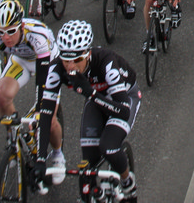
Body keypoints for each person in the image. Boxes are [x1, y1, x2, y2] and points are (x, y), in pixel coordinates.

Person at [0, 1, 66, 184]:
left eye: (11, 31)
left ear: (21, 26)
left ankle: (58, 155)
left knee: (48, 119)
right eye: (2, 31)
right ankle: (13, 140)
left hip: (47, 61)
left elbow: (42, 81)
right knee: (2, 95)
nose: (6, 37)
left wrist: (39, 112)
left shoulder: (38, 36)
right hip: (21, 59)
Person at [38, 20, 140, 199]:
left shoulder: (105, 61)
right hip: (95, 98)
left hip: (123, 98)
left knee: (109, 147)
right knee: (87, 164)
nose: (70, 66)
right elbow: (46, 113)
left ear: (88, 54)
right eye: (66, 60)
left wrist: (91, 93)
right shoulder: (56, 68)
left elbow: (123, 111)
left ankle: (127, 182)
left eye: (77, 59)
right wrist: (40, 159)